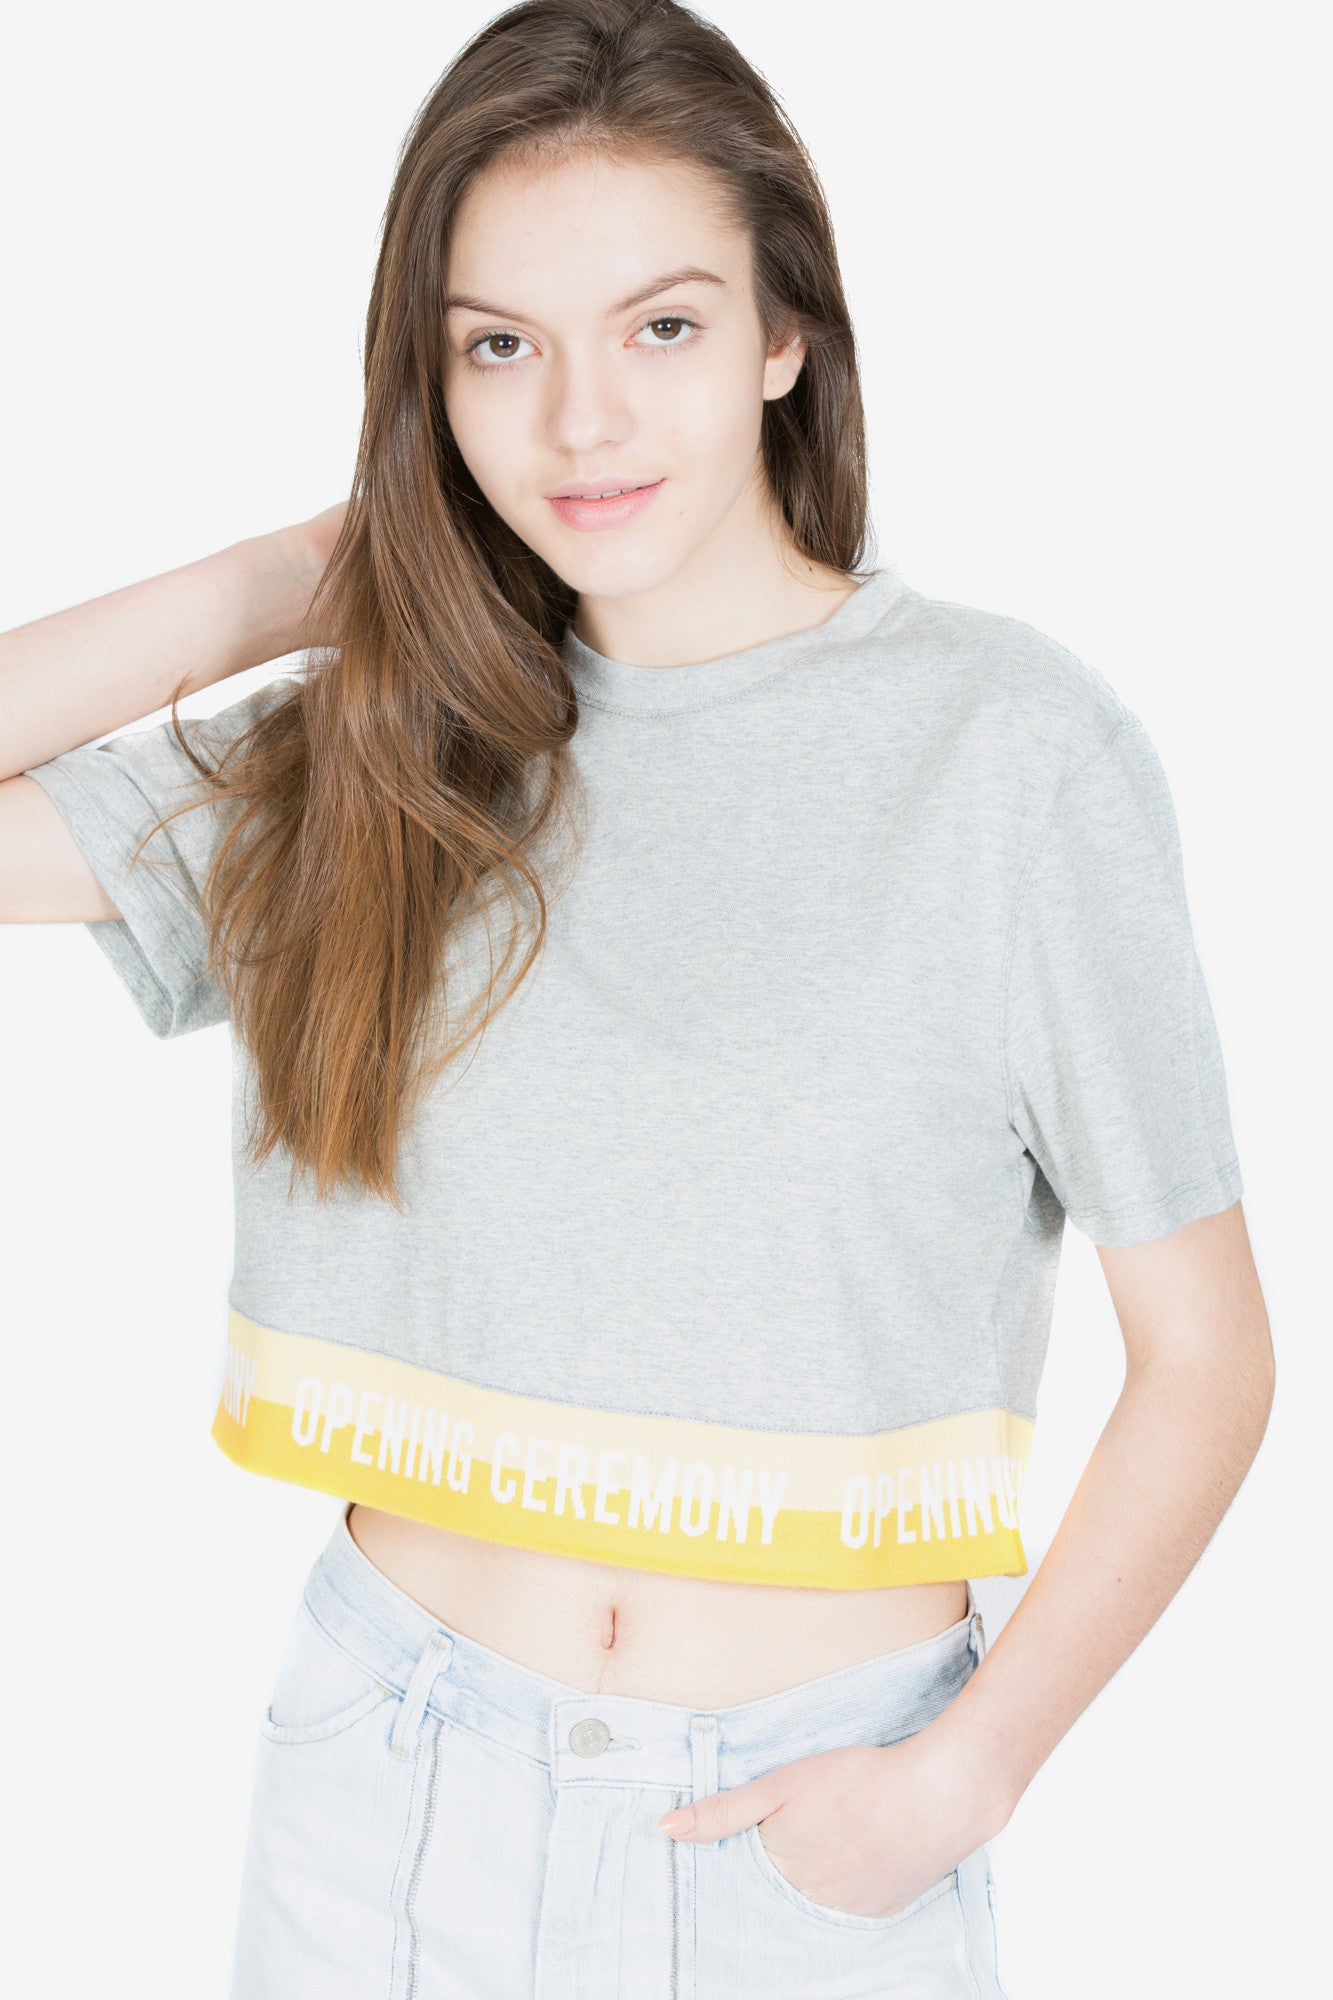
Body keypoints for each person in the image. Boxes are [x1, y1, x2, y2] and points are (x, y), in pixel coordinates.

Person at [0, 1, 1274, 1994]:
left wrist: (957, 1784)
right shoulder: (383, 748)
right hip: (382, 1795)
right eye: (498, 348)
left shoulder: (1009, 756)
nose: (580, 423)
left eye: (660, 327)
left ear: (785, 337)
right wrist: (290, 577)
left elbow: (1205, 1357)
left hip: (806, 1827)